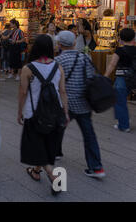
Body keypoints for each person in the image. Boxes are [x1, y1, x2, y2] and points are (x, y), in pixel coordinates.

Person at [18, 34, 70, 196]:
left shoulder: (28, 68)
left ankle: (53, 176)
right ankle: (35, 171)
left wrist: (19, 112)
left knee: (36, 146)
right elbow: (62, 91)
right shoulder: (58, 66)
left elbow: (23, 92)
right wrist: (66, 112)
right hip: (54, 112)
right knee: (46, 144)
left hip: (33, 113)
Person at [55, 31, 105, 178]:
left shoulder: (58, 60)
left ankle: (54, 153)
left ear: (60, 44)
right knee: (89, 135)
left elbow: (57, 84)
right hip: (84, 103)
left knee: (58, 128)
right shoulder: (85, 57)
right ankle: (96, 167)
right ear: (74, 43)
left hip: (66, 104)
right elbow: (91, 77)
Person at [105, 28, 136, 133]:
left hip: (122, 78)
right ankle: (124, 119)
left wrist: (105, 76)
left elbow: (112, 64)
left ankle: (124, 125)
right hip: (133, 78)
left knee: (119, 101)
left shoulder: (120, 50)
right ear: (133, 37)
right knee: (120, 100)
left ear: (121, 38)